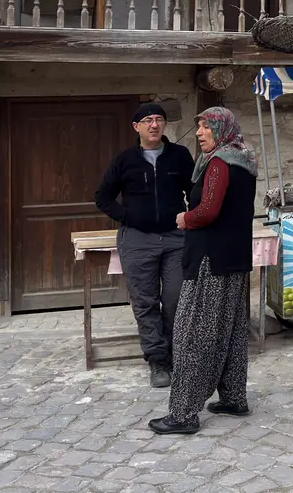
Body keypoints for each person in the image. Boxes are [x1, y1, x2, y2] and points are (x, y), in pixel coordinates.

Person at [149, 106, 257, 435]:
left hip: (211, 259)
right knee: (232, 330)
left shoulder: (220, 163)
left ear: (220, 129)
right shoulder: (244, 159)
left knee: (193, 333)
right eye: (198, 127)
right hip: (234, 257)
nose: (198, 133)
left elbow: (208, 211)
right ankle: (234, 398)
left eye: (205, 127)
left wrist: (185, 218)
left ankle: (183, 414)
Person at [95, 103, 195, 388]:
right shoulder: (125, 160)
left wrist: (192, 218)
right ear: (136, 126)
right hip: (137, 240)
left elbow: (195, 192)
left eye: (159, 119)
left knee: (176, 298)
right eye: (148, 120)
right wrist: (128, 216)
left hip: (175, 239)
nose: (154, 125)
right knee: (145, 301)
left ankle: (176, 353)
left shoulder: (180, 156)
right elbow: (103, 197)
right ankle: (157, 360)